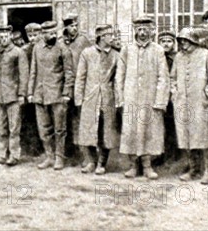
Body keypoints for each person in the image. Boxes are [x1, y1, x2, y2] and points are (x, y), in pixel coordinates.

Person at [115, 17, 169, 179]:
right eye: (139, 29)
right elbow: (120, 75)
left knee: (148, 131)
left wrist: (160, 100)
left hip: (150, 98)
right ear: (134, 30)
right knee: (131, 131)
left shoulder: (158, 50)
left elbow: (163, 76)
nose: (142, 33)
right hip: (131, 97)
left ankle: (147, 166)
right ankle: (133, 166)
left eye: (146, 29)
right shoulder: (127, 49)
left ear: (152, 30)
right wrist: (120, 97)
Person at [171, 27, 208, 184]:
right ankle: (193, 169)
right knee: (187, 136)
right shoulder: (178, 57)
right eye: (181, 41)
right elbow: (172, 77)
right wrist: (174, 93)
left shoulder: (207, 55)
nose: (183, 44)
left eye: (186, 41)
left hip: (202, 103)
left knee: (206, 137)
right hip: (183, 103)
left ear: (193, 40)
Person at [28, 21, 75, 170]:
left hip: (57, 94)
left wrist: (67, 93)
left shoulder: (63, 49)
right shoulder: (37, 48)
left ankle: (59, 158)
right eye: (50, 33)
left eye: (55, 33)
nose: (53, 35)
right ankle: (49, 156)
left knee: (60, 129)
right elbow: (33, 72)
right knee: (44, 128)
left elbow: (69, 73)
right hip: (40, 94)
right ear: (43, 34)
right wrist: (30, 91)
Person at [74, 25, 120, 175]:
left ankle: (102, 163)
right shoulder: (87, 53)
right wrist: (78, 98)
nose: (112, 38)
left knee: (106, 131)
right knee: (88, 130)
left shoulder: (116, 55)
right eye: (109, 35)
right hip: (90, 98)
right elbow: (80, 77)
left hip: (107, 98)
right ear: (101, 37)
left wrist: (118, 98)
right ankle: (91, 162)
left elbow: (118, 79)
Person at [0, 25, 29, 166]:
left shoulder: (18, 52)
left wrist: (22, 94)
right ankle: (1, 155)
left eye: (6, 36)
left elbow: (24, 75)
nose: (4, 39)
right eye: (1, 37)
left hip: (13, 96)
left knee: (14, 128)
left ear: (10, 36)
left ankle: (14, 155)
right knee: (0, 127)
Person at [59, 14, 92, 167]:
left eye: (76, 25)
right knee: (63, 122)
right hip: (64, 88)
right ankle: (66, 155)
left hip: (81, 86)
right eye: (71, 26)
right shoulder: (60, 42)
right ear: (65, 27)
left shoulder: (84, 41)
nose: (74, 28)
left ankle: (85, 156)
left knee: (81, 121)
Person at [157, 30, 178, 165]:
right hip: (159, 95)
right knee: (159, 126)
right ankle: (159, 155)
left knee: (172, 126)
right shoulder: (156, 56)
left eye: (169, 41)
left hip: (174, 95)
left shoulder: (177, 58)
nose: (166, 44)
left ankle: (173, 156)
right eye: (163, 41)